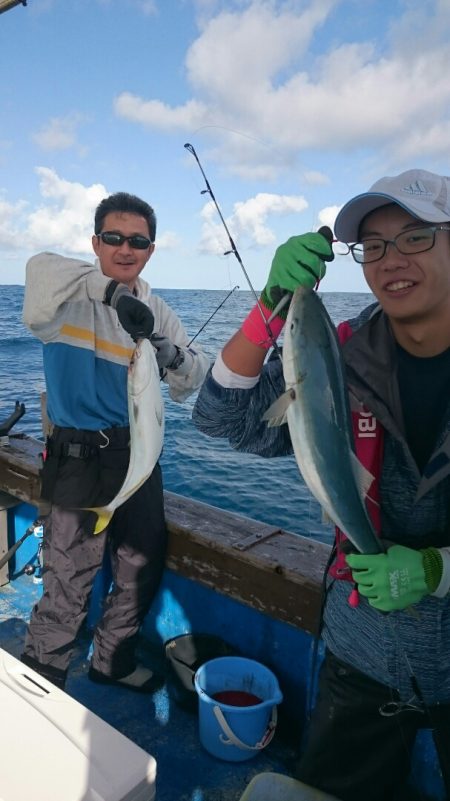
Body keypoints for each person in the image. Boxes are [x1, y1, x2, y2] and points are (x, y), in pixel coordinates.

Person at [192, 168, 450, 800]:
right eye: (375, 246)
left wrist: (439, 569)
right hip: (361, 656)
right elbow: (219, 419)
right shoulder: (340, 353)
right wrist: (270, 305)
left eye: (416, 237)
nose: (392, 260)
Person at [21, 191, 209, 693]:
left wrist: (168, 352)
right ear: (96, 242)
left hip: (138, 457)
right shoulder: (64, 299)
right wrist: (110, 295)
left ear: (151, 249)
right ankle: (44, 673)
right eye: (114, 238)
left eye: (138, 241)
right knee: (68, 575)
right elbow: (38, 268)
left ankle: (112, 660)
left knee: (138, 566)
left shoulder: (158, 310)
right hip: (77, 457)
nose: (126, 249)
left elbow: (192, 378)